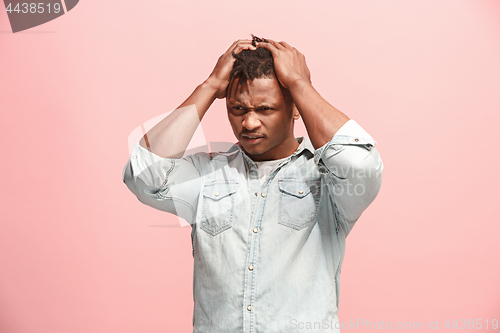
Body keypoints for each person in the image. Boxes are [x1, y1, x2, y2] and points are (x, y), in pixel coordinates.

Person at [122, 35, 383, 333]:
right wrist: (208, 87)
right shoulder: (207, 175)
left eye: (265, 109)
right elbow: (141, 176)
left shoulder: (327, 180)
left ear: (296, 108)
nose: (249, 123)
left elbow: (361, 166)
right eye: (238, 109)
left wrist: (299, 84)